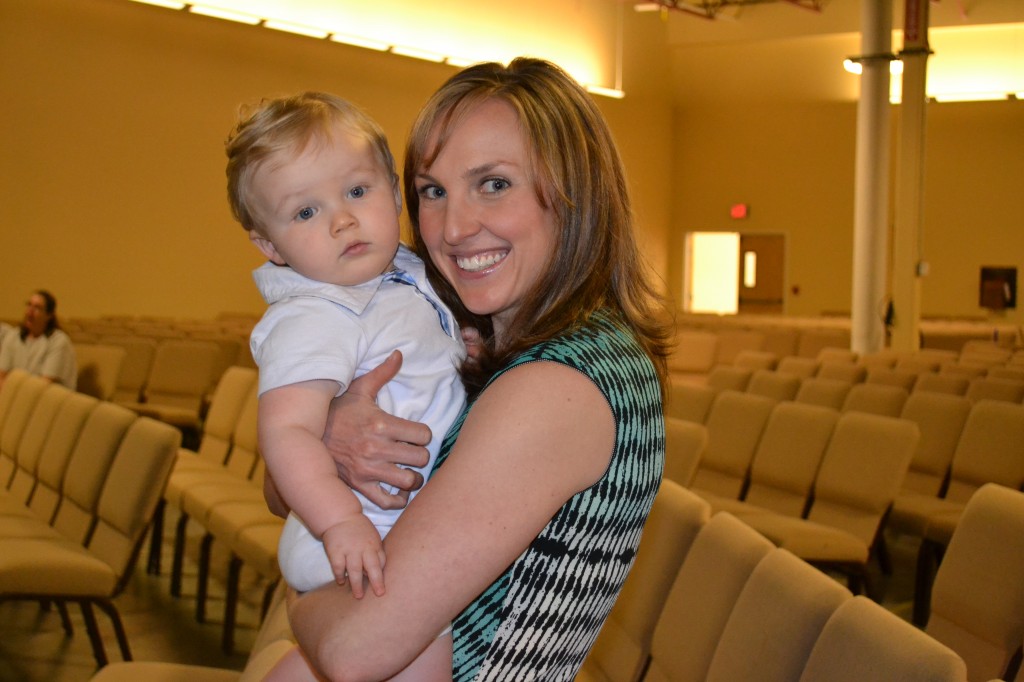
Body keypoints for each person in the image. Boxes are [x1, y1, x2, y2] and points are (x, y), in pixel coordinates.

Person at [282, 57, 674, 681]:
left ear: (576, 194)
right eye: (433, 191)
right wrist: (330, 435)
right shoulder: (497, 351)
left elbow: (356, 650)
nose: (455, 228)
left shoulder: (556, 386)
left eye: (494, 183)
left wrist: (300, 599)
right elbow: (292, 493)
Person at [225, 91, 466, 680]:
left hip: (379, 527)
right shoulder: (316, 314)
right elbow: (286, 433)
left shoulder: (404, 273)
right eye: (305, 213)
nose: (341, 219)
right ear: (269, 246)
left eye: (357, 191)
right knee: (421, 658)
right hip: (360, 532)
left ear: (390, 186)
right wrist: (340, 523)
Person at [0, 290, 77, 390]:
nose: (30, 311)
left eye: (37, 308)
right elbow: (2, 376)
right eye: (29, 305)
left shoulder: (58, 341)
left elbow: (45, 384)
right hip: (16, 396)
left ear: (49, 315)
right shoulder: (13, 336)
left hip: (47, 399)